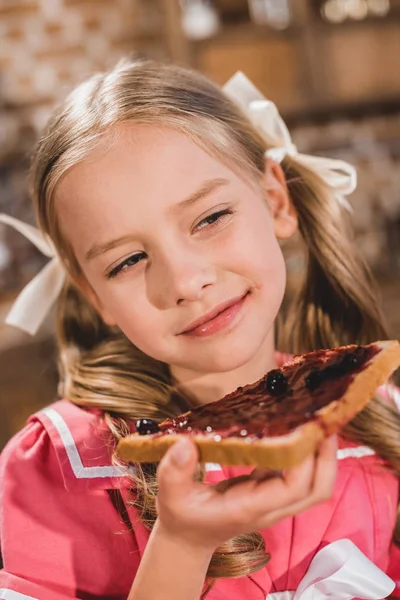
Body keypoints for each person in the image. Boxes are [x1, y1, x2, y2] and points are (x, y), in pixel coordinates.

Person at [0, 60, 399, 600]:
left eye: (210, 218)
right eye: (128, 260)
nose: (185, 282)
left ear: (276, 200)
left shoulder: (383, 421)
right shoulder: (54, 471)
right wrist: (183, 545)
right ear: (95, 296)